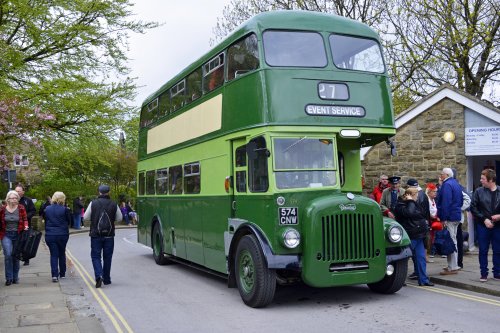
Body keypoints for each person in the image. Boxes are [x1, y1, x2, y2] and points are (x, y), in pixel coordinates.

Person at [84, 185, 122, 288]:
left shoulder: (93, 203)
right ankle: (107, 279)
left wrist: (94, 218)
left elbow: (86, 217)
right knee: (107, 257)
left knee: (96, 256)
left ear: (99, 192)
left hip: (96, 234)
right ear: (109, 192)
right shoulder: (114, 204)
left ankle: (98, 275)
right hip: (109, 235)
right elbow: (119, 218)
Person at [394, 187, 434, 286]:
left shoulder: (413, 204)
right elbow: (410, 213)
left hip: (419, 235)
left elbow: (421, 213)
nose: (417, 198)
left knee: (421, 258)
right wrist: (411, 201)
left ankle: (423, 280)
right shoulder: (400, 205)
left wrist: (412, 202)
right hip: (409, 236)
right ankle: (397, 279)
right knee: (402, 259)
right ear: (411, 195)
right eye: (416, 196)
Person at [470, 169, 500, 282]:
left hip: (498, 226)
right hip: (483, 226)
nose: (480, 180)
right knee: (483, 250)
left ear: (491, 180)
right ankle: (484, 273)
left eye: (483, 179)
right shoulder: (478, 191)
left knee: (498, 250)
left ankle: (497, 272)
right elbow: (473, 207)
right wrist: (484, 219)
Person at [436, 167, 463, 275]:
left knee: (450, 241)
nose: (440, 176)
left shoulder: (447, 185)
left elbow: (445, 203)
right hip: (456, 216)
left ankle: (453, 267)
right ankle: (452, 265)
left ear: (446, 175)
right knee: (453, 240)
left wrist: (443, 218)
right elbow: (460, 200)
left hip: (449, 217)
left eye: (442, 174)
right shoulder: (455, 183)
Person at [0, 190, 29, 285]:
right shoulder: (3, 209)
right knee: (8, 255)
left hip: (18, 235)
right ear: (8, 199)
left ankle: (15, 277)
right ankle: (9, 278)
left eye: (16, 197)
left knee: (15, 256)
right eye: (12, 198)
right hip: (6, 234)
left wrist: (26, 226)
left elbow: (25, 219)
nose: (14, 199)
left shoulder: (21, 208)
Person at [44, 191, 72, 282]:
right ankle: (62, 273)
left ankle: (54, 275)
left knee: (53, 254)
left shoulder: (47, 209)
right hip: (62, 234)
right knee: (61, 253)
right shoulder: (65, 209)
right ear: (62, 199)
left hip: (50, 234)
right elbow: (69, 221)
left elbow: (46, 219)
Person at [15, 184, 36, 266]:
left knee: (25, 242)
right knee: (17, 242)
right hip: (15, 226)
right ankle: (16, 257)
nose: (17, 193)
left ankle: (26, 259)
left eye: (19, 191)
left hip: (26, 225)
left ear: (23, 192)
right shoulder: (12, 200)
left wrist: (25, 217)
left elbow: (33, 210)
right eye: (16, 191)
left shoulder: (28, 200)